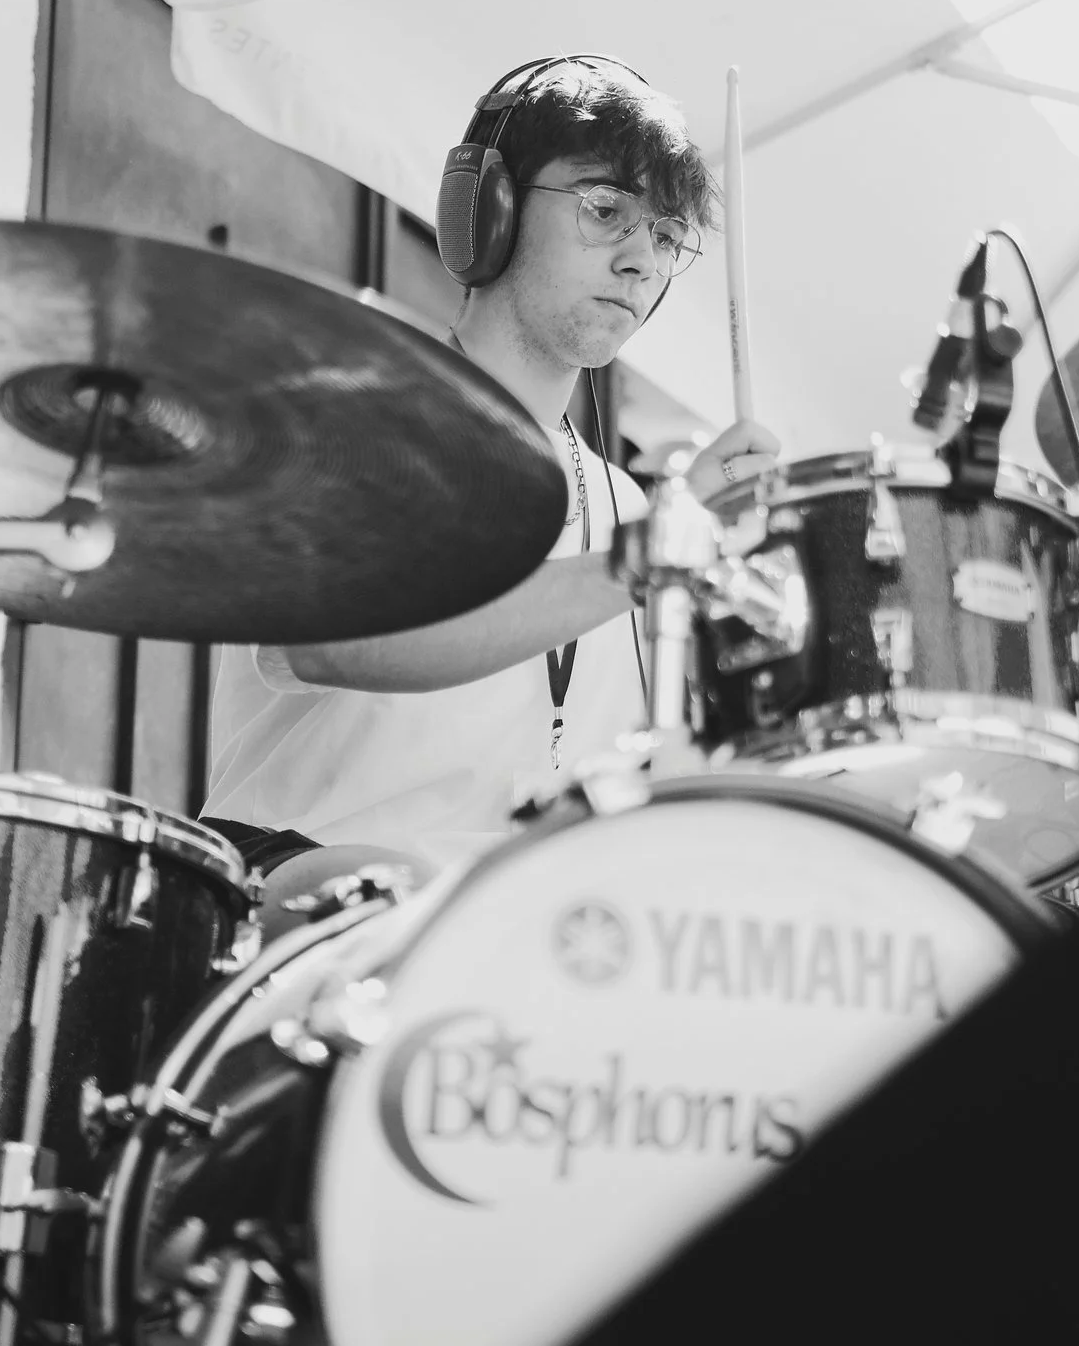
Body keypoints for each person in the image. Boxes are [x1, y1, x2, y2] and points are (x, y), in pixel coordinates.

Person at [203, 56, 779, 909]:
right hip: (306, 887)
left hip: (521, 930)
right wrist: (645, 559)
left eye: (664, 237)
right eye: (606, 209)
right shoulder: (356, 415)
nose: (640, 261)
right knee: (402, 897)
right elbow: (324, 644)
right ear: (488, 211)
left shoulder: (626, 504)